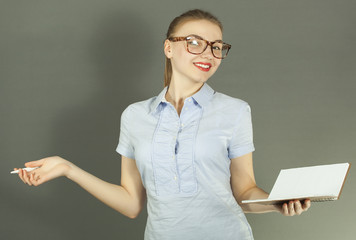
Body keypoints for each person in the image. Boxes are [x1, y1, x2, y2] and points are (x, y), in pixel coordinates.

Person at [15, 9, 311, 240]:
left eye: (217, 46)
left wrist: (276, 202)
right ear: (168, 48)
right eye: (195, 43)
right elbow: (131, 204)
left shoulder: (235, 111)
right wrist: (68, 169)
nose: (208, 53)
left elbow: (245, 189)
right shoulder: (134, 116)